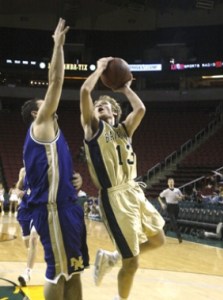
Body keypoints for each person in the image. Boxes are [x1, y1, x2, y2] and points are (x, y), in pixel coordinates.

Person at [80, 56, 165, 300]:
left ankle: (112, 257)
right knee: (133, 264)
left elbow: (140, 109)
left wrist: (124, 87)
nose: (99, 108)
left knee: (158, 240)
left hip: (134, 191)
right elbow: (86, 91)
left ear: (115, 111)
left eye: (104, 106)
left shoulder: (124, 130)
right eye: (97, 107)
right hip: (114, 197)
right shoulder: (93, 128)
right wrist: (99, 69)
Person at [20, 18, 89, 300]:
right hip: (52, 211)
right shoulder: (41, 125)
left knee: (73, 270)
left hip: (67, 207)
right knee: (58, 271)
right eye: (42, 103)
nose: (48, 102)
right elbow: (56, 80)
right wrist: (58, 47)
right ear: (37, 113)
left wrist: (76, 179)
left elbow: (58, 168)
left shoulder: (54, 132)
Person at [158, 178, 184, 243]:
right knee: (174, 222)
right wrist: (162, 204)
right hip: (169, 207)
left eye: (172, 182)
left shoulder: (177, 190)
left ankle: (165, 231)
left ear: (174, 182)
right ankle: (179, 237)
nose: (171, 183)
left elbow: (182, 197)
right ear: (168, 183)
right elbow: (159, 197)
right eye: (170, 182)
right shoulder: (166, 191)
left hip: (176, 207)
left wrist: (179, 198)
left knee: (173, 222)